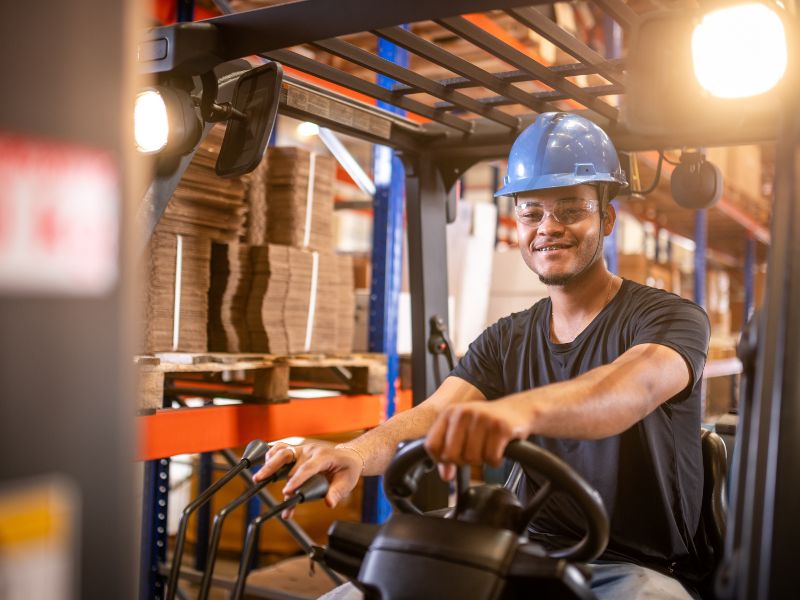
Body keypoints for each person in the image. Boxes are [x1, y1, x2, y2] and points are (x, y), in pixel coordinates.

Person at [254, 112, 711, 599]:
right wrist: (352, 452)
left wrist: (514, 411)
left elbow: (630, 387)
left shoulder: (670, 318)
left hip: (633, 568)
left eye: (570, 209)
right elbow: (431, 414)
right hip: (525, 554)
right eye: (532, 213)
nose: (548, 228)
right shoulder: (507, 338)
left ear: (607, 218)